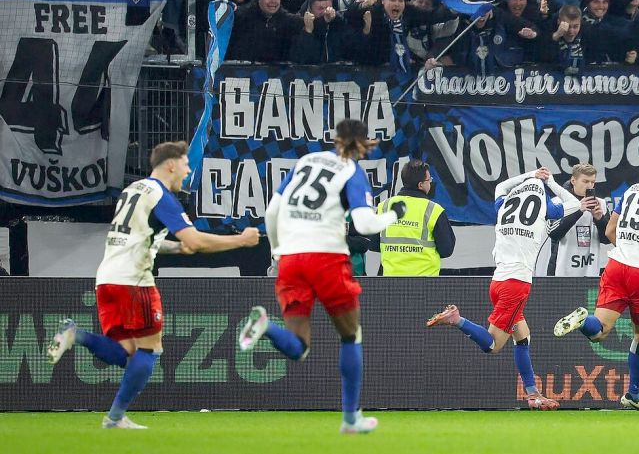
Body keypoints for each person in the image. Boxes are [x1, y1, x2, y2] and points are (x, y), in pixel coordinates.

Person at [45, 141, 260, 429]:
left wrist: (174, 247)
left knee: (125, 352)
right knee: (150, 350)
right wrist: (241, 240)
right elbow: (196, 240)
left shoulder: (132, 190)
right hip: (135, 281)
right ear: (170, 164)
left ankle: (76, 335)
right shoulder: (162, 196)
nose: (188, 171)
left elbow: (138, 237)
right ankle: (115, 418)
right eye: (185, 165)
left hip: (107, 279)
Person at [237, 119, 407, 434]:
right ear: (363, 144)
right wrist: (393, 215)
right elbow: (365, 224)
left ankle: (265, 326)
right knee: (351, 335)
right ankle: (351, 418)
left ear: (335, 138)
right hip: (326, 257)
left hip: (291, 258)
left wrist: (277, 251)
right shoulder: (351, 170)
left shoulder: (305, 162)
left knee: (298, 347)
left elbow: (272, 212)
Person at [425, 167, 580, 410]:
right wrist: (549, 181)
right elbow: (575, 202)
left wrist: (529, 175)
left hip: (498, 282)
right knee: (493, 345)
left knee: (523, 336)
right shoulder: (545, 206)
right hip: (516, 285)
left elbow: (501, 187)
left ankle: (533, 395)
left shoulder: (505, 204)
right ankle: (456, 319)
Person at [553, 153, 639, 411]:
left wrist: (626, 249)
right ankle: (634, 393)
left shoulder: (632, 191)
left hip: (616, 266)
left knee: (599, 332)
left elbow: (610, 230)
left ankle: (583, 321)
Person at [374, 159, 456, 276]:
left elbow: (373, 244)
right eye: (429, 180)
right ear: (420, 185)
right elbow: (447, 250)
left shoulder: (384, 207)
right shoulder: (433, 210)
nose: (430, 183)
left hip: (391, 281)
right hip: (425, 282)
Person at [535, 163, 610, 277]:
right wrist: (578, 210)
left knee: (590, 290)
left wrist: (599, 219)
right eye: (585, 181)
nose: (589, 186)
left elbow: (607, 239)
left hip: (590, 270)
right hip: (561, 271)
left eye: (592, 182)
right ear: (573, 181)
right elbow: (554, 233)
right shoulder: (558, 203)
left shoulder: (601, 204)